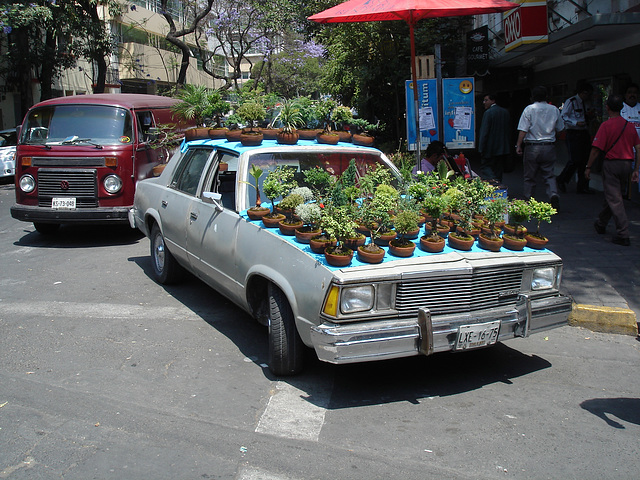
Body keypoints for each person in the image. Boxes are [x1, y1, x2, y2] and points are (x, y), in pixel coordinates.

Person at [586, 94, 640, 246]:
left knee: (615, 199)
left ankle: (623, 233)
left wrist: (588, 167)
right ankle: (601, 223)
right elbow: (638, 147)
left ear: (607, 107)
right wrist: (636, 168)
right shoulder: (629, 126)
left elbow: (596, 150)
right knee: (613, 195)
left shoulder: (606, 126)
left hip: (612, 164)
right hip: (627, 164)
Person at [515, 86, 564, 211]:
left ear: (532, 97)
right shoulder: (554, 110)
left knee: (529, 176)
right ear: (546, 96)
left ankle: (528, 200)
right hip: (549, 146)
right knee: (549, 175)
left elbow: (523, 130)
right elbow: (560, 129)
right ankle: (553, 194)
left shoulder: (529, 109)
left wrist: (518, 145)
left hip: (532, 147)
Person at [557, 81, 594, 194]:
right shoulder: (571, 101)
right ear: (583, 92)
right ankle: (561, 179)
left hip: (584, 132)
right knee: (575, 159)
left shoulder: (587, 103)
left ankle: (582, 186)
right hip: (573, 133)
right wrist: (575, 123)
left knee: (584, 161)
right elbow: (563, 116)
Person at [478, 93, 510, 182]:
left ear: (493, 101)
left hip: (490, 147)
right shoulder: (505, 112)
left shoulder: (488, 113)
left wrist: (481, 148)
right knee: (498, 169)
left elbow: (484, 132)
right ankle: (499, 185)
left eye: (486, 100)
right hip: (502, 147)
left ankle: (493, 182)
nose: (484, 102)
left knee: (486, 167)